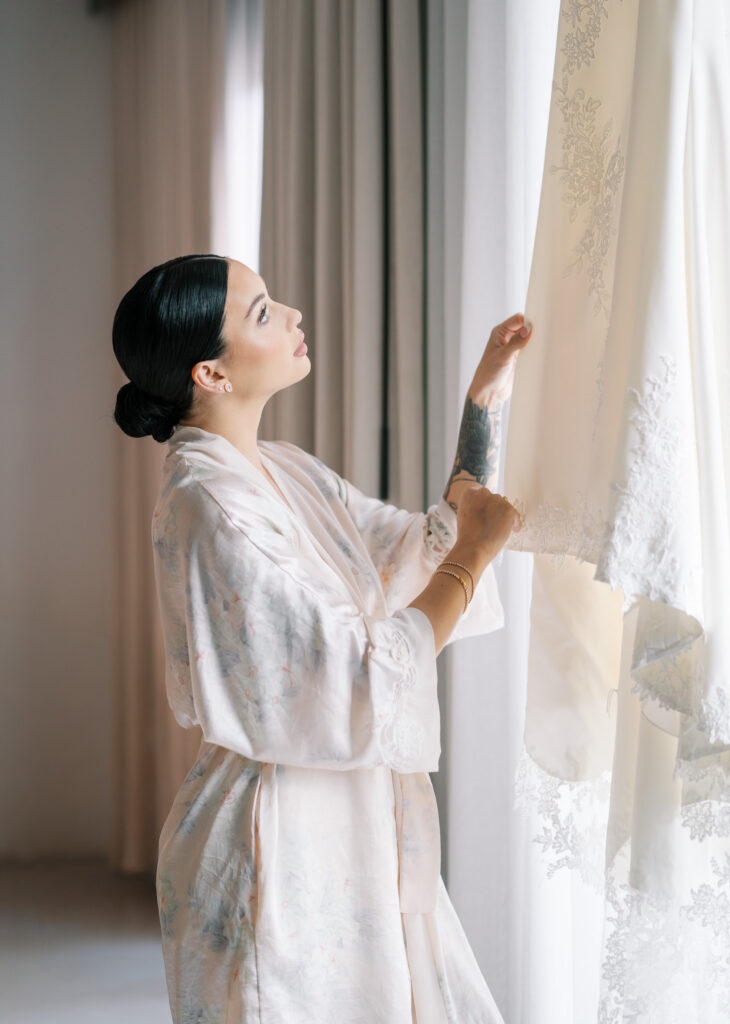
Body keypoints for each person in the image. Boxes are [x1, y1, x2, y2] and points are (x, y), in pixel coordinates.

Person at [112, 253, 532, 1024]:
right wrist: (475, 557)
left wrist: (484, 405)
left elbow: (415, 553)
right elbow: (363, 669)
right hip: (278, 845)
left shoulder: (283, 471)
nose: (295, 315)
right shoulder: (211, 504)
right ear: (210, 372)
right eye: (265, 312)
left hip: (352, 823)